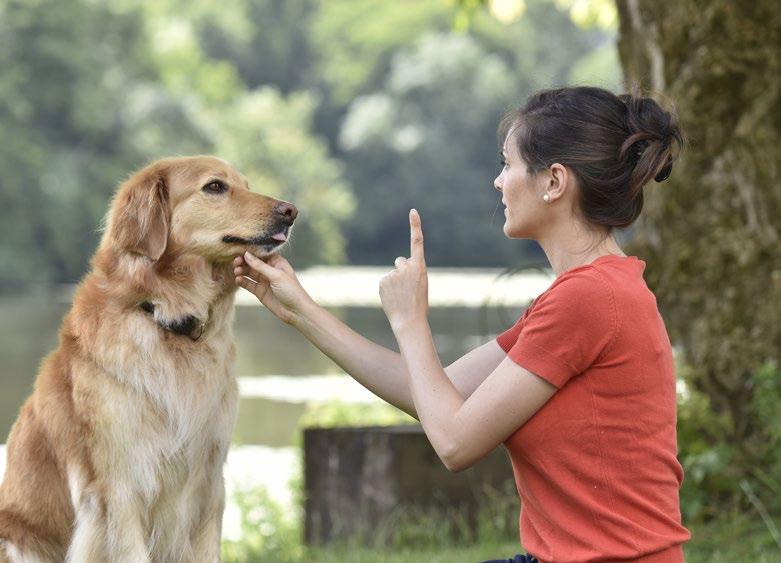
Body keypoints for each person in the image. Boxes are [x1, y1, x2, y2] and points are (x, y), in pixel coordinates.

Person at [233, 86, 690, 562]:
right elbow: (438, 395)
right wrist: (301, 311)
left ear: (554, 181)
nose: (498, 182)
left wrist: (411, 322)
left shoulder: (589, 299)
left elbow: (453, 442)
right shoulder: (587, 294)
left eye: (507, 164)